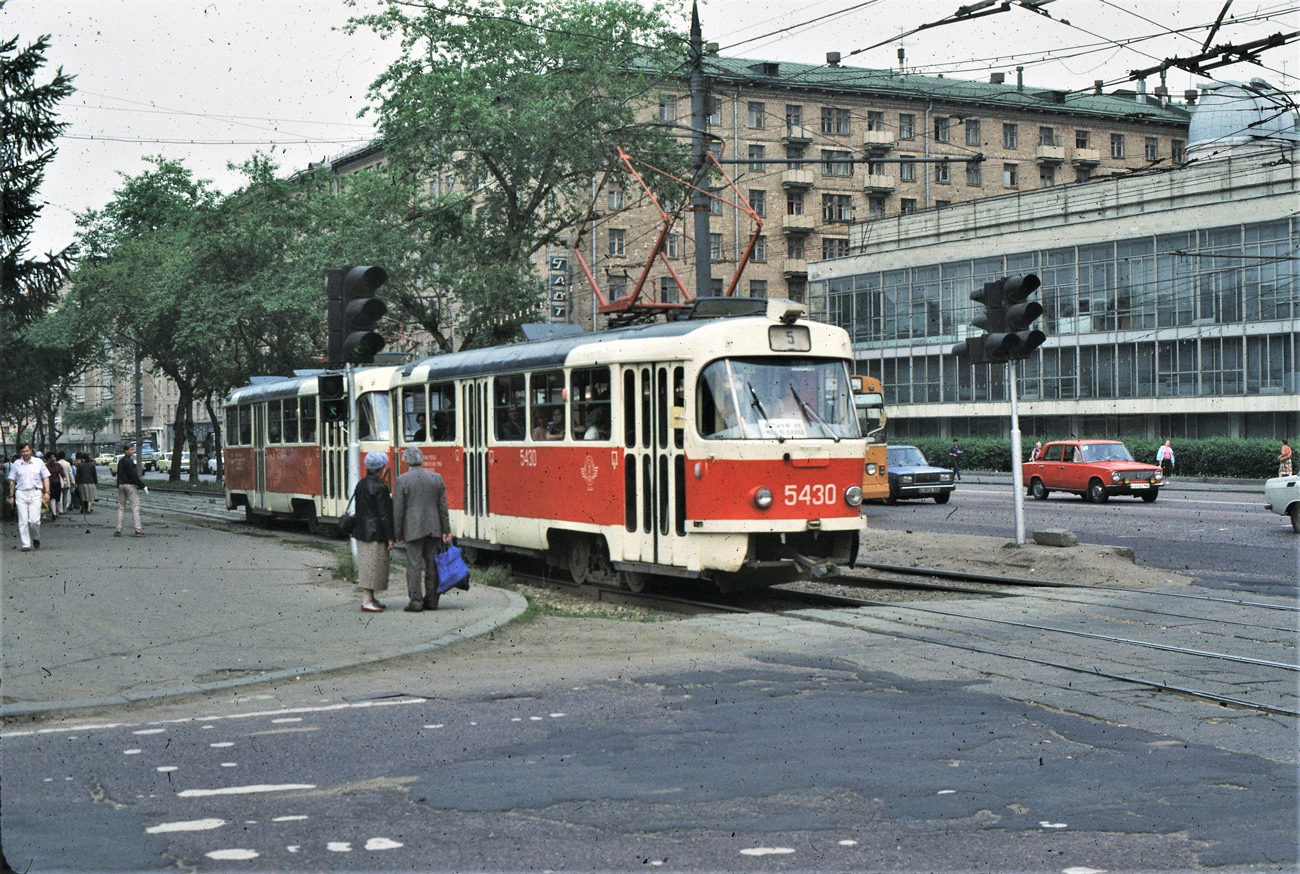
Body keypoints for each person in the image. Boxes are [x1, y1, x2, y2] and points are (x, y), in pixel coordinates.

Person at [393, 446, 453, 612]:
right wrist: (446, 530)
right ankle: (431, 601)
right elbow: (443, 507)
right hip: (434, 529)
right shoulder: (436, 478)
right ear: (422, 460)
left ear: (406, 462)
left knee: (414, 566)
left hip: (412, 530)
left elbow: (398, 510)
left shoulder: (402, 480)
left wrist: (398, 533)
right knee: (432, 565)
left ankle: (416, 602)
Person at [354, 450, 395, 612]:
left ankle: (371, 598)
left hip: (362, 531)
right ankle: (367, 601)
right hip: (376, 533)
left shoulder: (361, 484)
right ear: (381, 469)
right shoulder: (380, 487)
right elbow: (384, 515)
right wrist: (390, 537)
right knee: (373, 567)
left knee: (368, 565)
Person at [7, 443, 50, 552]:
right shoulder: (16, 464)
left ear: (31, 451)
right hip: (21, 493)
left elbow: (45, 477)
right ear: (20, 453)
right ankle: (25, 544)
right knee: (23, 520)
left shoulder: (38, 462)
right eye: (23, 451)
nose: (25, 453)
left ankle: (35, 537)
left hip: (35, 493)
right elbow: (12, 481)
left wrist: (47, 492)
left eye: (27, 451)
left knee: (34, 520)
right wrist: (11, 496)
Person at [114, 442, 147, 537]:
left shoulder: (121, 461)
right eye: (131, 450)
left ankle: (118, 529)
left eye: (133, 449)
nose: (133, 451)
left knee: (121, 508)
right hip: (130, 486)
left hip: (121, 485)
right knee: (135, 508)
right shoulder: (130, 462)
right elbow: (134, 476)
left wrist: (118, 484)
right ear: (126, 451)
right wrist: (142, 486)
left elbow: (119, 474)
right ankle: (138, 530)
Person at [45, 454, 64, 521]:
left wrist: (64, 480)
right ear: (48, 459)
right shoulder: (46, 466)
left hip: (57, 483)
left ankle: (56, 511)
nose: (53, 458)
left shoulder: (59, 465)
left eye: (54, 457)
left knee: (57, 498)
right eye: (51, 457)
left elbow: (62, 474)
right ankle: (54, 513)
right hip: (50, 484)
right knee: (52, 498)